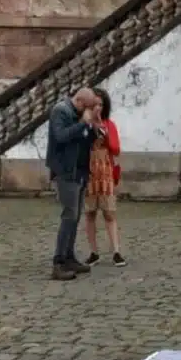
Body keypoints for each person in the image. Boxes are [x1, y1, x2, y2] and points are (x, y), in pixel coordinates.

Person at [45, 87, 101, 280]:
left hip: (80, 171)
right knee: (69, 215)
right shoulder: (61, 111)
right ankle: (58, 262)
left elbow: (90, 140)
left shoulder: (79, 115)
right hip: (66, 171)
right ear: (79, 102)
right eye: (88, 107)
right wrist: (82, 123)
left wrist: (93, 123)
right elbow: (61, 137)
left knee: (75, 216)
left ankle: (69, 257)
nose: (88, 110)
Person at [83, 88, 126, 268]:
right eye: (95, 105)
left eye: (101, 104)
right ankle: (94, 252)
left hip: (105, 169)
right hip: (89, 170)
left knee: (109, 211)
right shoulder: (83, 124)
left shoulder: (109, 124)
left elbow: (116, 149)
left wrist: (106, 135)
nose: (98, 108)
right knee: (90, 212)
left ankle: (116, 251)